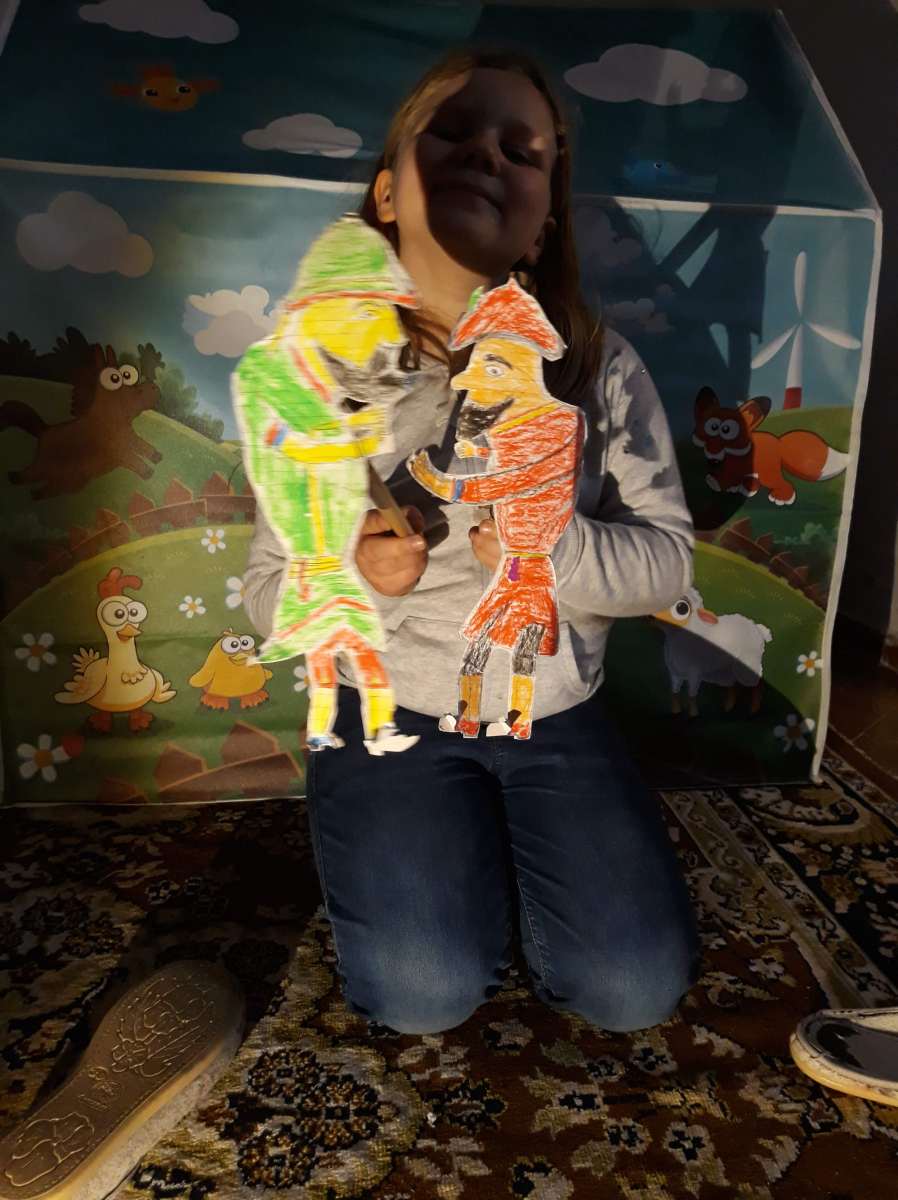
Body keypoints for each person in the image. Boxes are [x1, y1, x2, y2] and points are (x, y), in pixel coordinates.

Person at [244, 49, 700, 1035]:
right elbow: (266, 593)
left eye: (521, 150)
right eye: (450, 134)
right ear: (386, 193)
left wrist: (556, 550)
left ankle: (504, 860)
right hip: (391, 710)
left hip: (555, 710)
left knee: (633, 992)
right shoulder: (315, 372)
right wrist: (356, 575)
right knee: (421, 994)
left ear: (545, 217)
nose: (486, 156)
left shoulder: (598, 367)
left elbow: (668, 564)